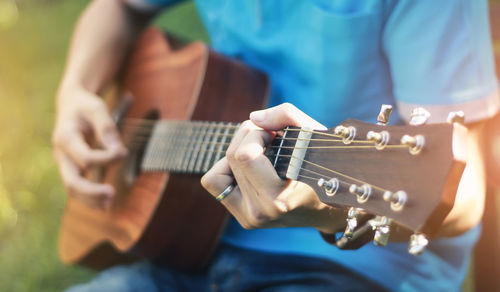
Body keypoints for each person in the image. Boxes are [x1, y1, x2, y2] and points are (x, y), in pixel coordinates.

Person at [52, 0, 499, 291]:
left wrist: (328, 207)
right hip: (194, 243)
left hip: (359, 271)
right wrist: (75, 92)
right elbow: (120, 10)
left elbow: (464, 193)